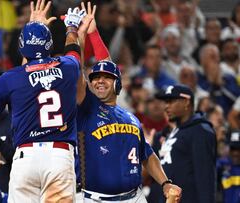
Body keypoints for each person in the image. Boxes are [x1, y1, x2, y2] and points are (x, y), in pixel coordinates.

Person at [0, 0, 89, 202]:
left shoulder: (10, 78)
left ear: (22, 48)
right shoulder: (67, 67)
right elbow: (74, 53)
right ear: (49, 44)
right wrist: (72, 27)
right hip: (59, 157)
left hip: (26, 158)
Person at [75, 3, 181, 202]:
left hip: (135, 197)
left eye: (106, 78)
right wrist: (85, 35)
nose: (99, 81)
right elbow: (77, 75)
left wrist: (166, 183)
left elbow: (147, 155)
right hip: (94, 198)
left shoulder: (130, 118)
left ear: (117, 85)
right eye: (95, 77)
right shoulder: (86, 109)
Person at [155, 84, 217, 203]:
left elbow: (205, 177)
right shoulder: (176, 130)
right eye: (165, 102)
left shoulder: (199, 130)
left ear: (186, 102)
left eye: (171, 101)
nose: (166, 107)